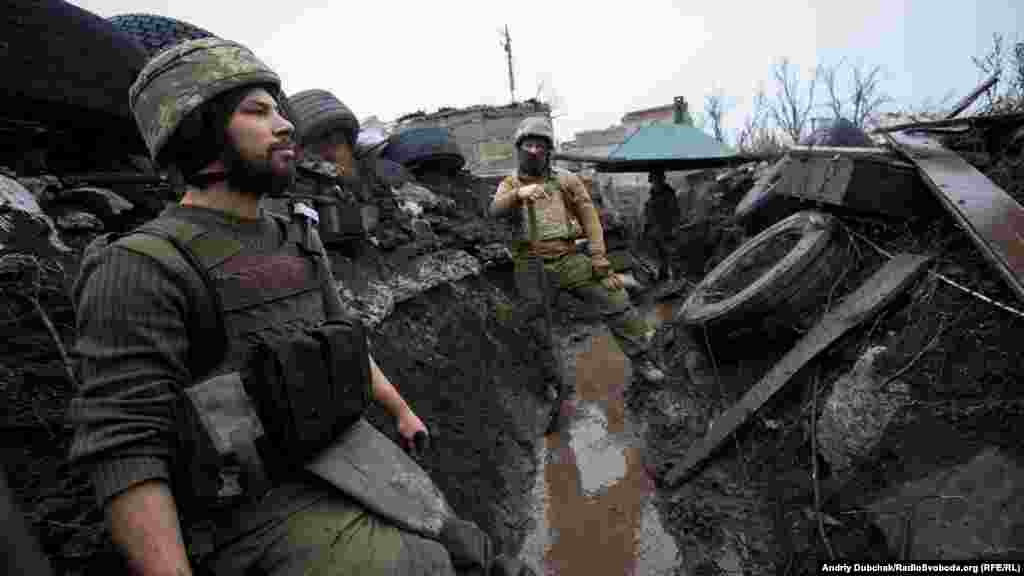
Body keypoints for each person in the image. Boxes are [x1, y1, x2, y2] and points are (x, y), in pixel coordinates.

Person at [68, 38, 526, 576]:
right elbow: (123, 446)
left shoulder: (298, 234)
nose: (285, 125)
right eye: (257, 112)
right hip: (257, 507)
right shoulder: (141, 265)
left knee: (473, 550)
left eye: (279, 110)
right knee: (419, 565)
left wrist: (399, 409)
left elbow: (343, 333)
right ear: (200, 132)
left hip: (354, 454)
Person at [489, 116, 665, 384]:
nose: (534, 151)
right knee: (535, 324)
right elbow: (495, 209)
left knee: (615, 299)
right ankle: (549, 381)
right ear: (519, 148)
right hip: (530, 264)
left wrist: (597, 255)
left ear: (549, 150)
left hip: (568, 257)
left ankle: (642, 359)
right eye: (528, 145)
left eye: (540, 146)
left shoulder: (566, 180)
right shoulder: (511, 184)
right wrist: (518, 196)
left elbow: (589, 218)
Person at [642, 169, 681, 281]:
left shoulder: (669, 194)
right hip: (655, 229)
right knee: (660, 254)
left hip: (666, 228)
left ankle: (677, 278)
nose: (655, 182)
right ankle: (663, 275)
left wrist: (674, 227)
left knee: (672, 254)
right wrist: (647, 227)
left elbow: (675, 212)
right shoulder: (653, 194)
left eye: (657, 180)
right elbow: (649, 212)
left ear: (662, 180)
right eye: (654, 180)